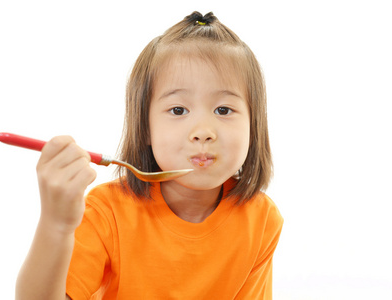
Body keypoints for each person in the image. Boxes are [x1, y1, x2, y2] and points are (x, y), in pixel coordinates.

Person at [15, 11, 283, 300]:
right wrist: (56, 225)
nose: (204, 132)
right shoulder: (107, 212)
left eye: (223, 110)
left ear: (253, 125)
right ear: (145, 127)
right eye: (178, 110)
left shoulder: (261, 218)